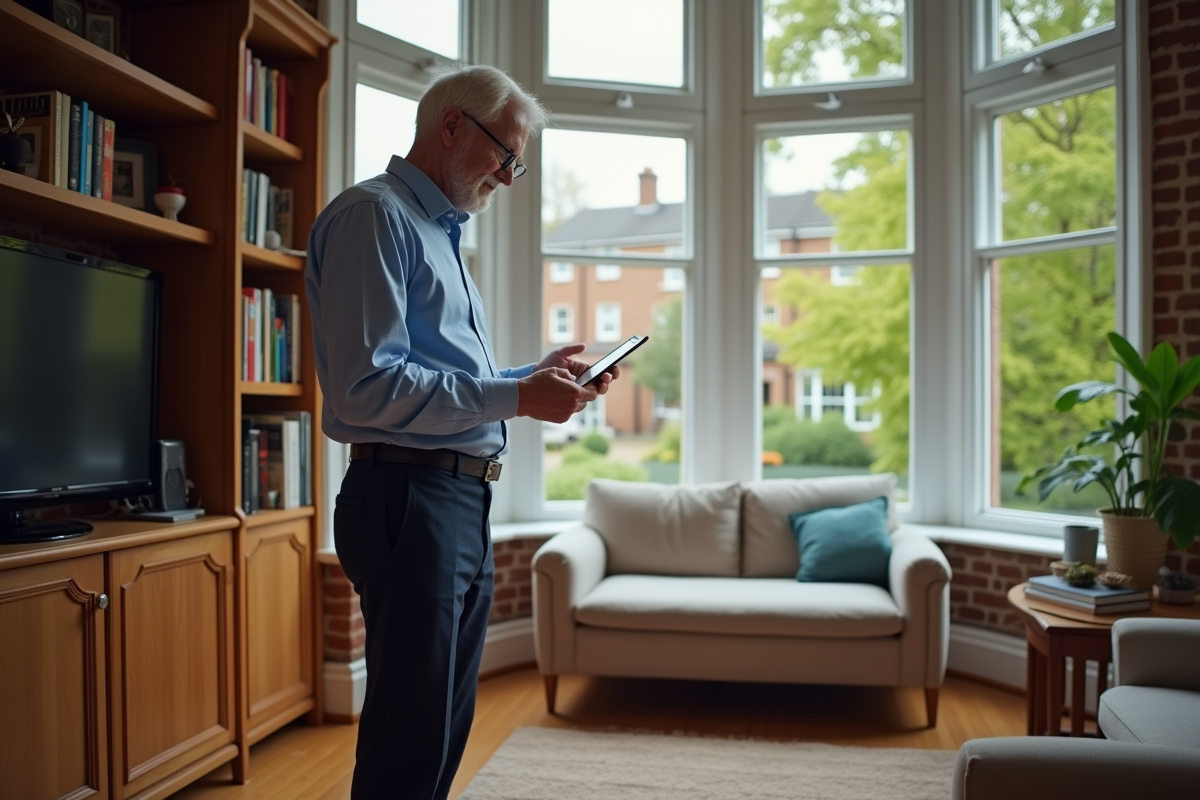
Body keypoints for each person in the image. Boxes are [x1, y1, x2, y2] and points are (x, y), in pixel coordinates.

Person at [305, 64, 617, 799]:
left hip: (454, 501)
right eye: (505, 155)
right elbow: (369, 386)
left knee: (443, 724)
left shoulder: (440, 234)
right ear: (452, 127)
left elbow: (440, 378)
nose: (509, 177)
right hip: (408, 498)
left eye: (518, 162)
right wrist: (514, 394)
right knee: (407, 734)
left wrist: (530, 379)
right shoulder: (374, 217)